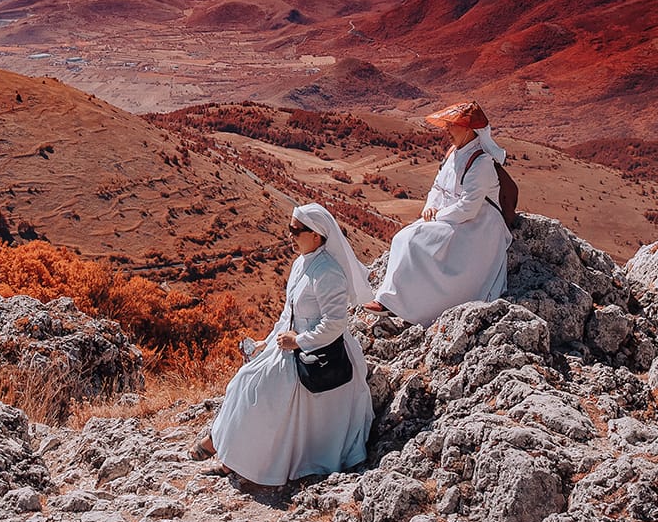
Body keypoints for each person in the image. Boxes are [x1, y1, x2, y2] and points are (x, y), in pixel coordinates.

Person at [199, 203, 373, 486]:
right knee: (244, 381)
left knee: (261, 389)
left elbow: (335, 324)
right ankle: (224, 447)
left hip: (320, 352)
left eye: (296, 230)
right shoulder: (300, 264)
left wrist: (299, 341)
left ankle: (231, 455)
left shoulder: (328, 272)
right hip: (291, 344)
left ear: (316, 235)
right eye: (290, 229)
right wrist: (265, 342)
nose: (290, 235)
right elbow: (287, 314)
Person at [367, 101, 515, 326]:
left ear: (467, 129)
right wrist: (429, 207)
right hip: (453, 218)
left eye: (452, 125)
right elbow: (438, 187)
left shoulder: (481, 162)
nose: (446, 130)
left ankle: (404, 304)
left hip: (478, 227)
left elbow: (469, 207)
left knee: (412, 241)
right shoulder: (453, 153)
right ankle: (394, 300)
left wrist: (437, 216)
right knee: (405, 239)